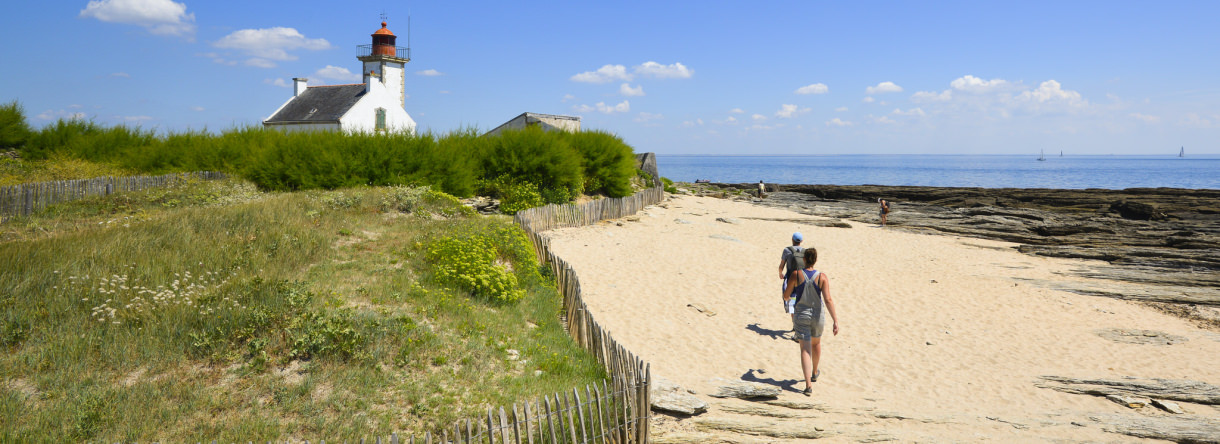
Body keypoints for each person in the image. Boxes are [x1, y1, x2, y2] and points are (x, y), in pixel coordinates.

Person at [781, 247, 840, 396]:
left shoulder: (796, 274)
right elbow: (828, 299)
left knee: (805, 349)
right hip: (817, 316)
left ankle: (808, 385)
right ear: (815, 260)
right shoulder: (822, 277)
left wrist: (786, 294)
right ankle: (814, 372)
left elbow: (787, 296)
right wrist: (835, 320)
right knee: (816, 344)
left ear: (804, 260)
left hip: (801, 315)